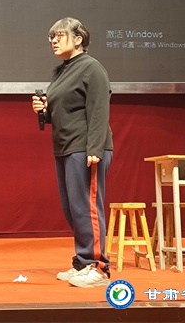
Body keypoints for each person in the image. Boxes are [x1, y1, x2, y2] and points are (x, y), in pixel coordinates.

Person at [31, 17, 113, 288]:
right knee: (74, 209)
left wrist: (95, 148)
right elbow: (65, 112)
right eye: (51, 37)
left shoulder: (91, 67)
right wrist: (45, 111)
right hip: (65, 147)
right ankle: (82, 262)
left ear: (78, 39)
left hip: (86, 147)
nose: (53, 41)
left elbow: (99, 109)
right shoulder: (62, 71)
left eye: (59, 35)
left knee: (87, 208)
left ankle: (98, 268)